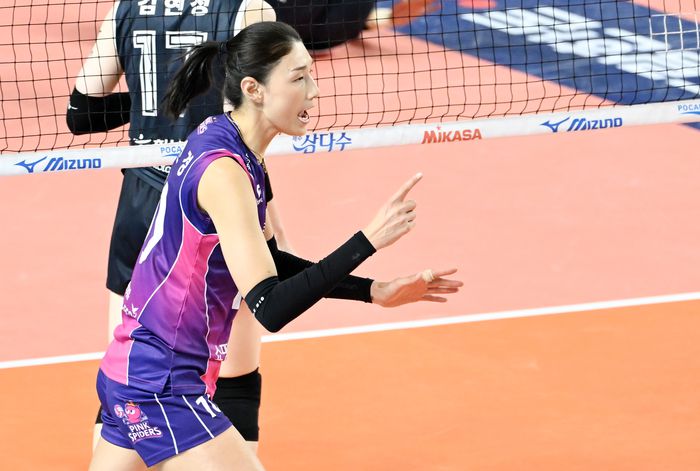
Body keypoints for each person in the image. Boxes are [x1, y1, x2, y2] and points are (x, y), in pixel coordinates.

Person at [89, 21, 461, 470]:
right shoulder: (225, 172)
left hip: (136, 369)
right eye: (299, 78)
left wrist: (372, 291)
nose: (314, 92)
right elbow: (269, 306)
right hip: (163, 384)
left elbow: (271, 261)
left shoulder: (232, 143)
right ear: (254, 89)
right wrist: (367, 241)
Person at [67, 0, 287, 452]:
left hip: (141, 203)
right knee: (234, 377)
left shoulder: (127, 7)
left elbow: (82, 113)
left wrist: (156, 100)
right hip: (212, 198)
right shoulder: (249, 9)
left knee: (130, 371)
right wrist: (269, 219)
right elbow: (256, 114)